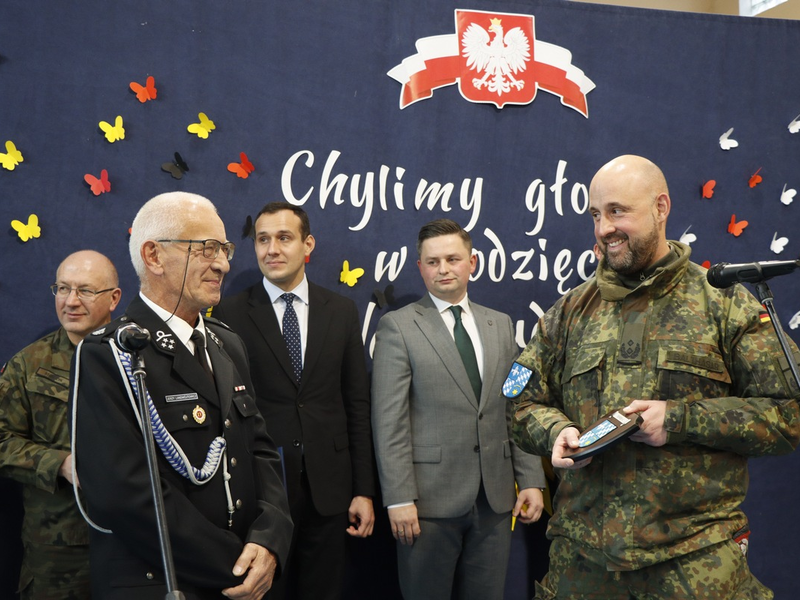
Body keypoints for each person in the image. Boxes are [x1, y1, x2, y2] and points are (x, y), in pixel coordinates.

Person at [508, 154, 800, 599]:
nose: (604, 228)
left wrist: (679, 420)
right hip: (583, 564)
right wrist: (557, 431)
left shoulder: (725, 305)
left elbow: (788, 414)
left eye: (617, 211)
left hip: (694, 562)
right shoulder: (568, 312)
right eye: (596, 215)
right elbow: (521, 402)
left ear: (661, 208)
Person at [70, 192, 293, 600]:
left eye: (224, 249)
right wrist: (235, 564)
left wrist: (269, 541)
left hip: (247, 577)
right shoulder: (109, 353)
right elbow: (124, 495)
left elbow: (260, 451)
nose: (223, 264)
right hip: (165, 582)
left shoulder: (227, 344)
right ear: (153, 256)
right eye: (206, 248)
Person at [371, 218, 546, 600]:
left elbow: (516, 406)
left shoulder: (500, 325)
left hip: (495, 502)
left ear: (472, 262)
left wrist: (531, 479)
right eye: (433, 262)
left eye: (452, 259)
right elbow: (389, 421)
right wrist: (399, 498)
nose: (443, 269)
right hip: (427, 504)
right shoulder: (398, 327)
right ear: (420, 267)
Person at [214, 202, 375, 600]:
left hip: (330, 490)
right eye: (262, 239)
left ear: (308, 244)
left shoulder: (341, 311)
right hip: (262, 490)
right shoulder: (228, 313)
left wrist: (363, 489)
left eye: (284, 238)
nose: (272, 249)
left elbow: (356, 403)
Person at [0, 250, 121, 599]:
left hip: (133, 538)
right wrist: (60, 464)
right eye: (62, 288)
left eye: (86, 290)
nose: (71, 301)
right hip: (58, 548)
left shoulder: (139, 358)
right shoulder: (29, 364)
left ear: (114, 298)